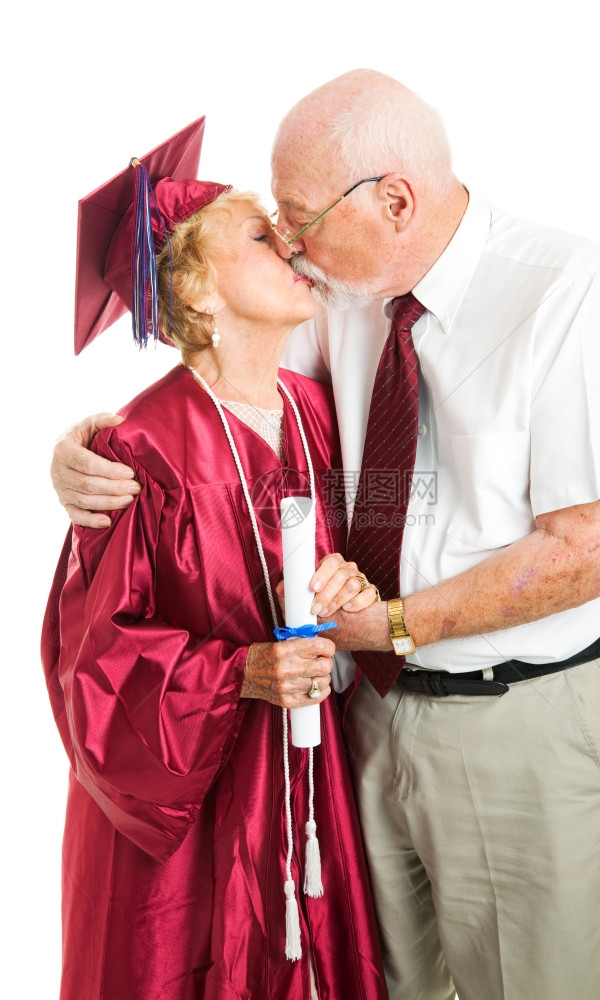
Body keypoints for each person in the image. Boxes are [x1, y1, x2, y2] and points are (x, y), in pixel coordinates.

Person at [50, 71, 600, 1000]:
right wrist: (82, 452)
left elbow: (586, 552)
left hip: (519, 722)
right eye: (272, 229)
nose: (293, 244)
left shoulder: (565, 291)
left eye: (294, 217)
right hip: (361, 731)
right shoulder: (339, 306)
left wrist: (392, 625)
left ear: (395, 199)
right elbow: (217, 386)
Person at [41, 123, 390, 1000]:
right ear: (197, 292)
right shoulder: (137, 448)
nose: (293, 248)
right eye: (264, 239)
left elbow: (365, 541)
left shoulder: (318, 410)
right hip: (184, 819)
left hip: (305, 782)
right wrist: (239, 674)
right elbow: (94, 664)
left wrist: (348, 582)